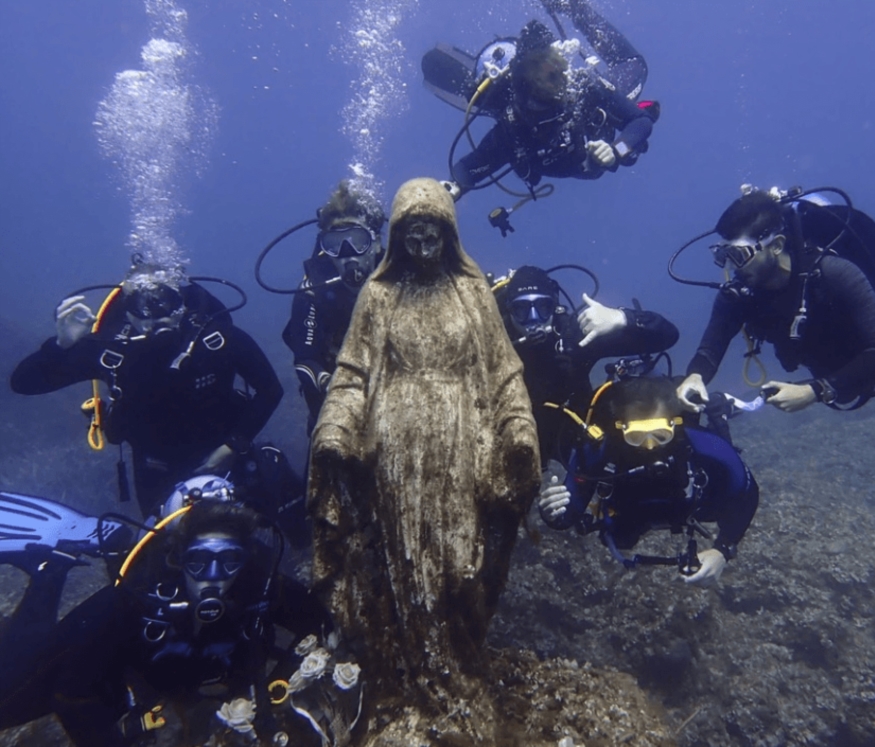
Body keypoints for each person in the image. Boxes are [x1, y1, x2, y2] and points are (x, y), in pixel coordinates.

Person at [308, 178, 539, 698]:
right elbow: (352, 373)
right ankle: (414, 672)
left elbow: (504, 370)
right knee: (404, 562)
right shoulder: (379, 294)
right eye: (411, 235)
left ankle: (462, 657)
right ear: (396, 238)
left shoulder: (473, 292)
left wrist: (518, 426)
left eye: (431, 232)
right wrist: (336, 427)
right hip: (394, 453)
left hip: (462, 443)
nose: (422, 245)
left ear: (448, 233)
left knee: (462, 563)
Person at [0, 489, 360, 747]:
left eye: (229, 561)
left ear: (245, 562)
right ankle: (49, 568)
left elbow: (319, 623)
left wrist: (277, 689)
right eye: (199, 562)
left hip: (185, 681)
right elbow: (70, 694)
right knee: (9, 699)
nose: (213, 576)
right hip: (128, 680)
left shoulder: (260, 588)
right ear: (178, 561)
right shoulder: (131, 602)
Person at [675, 187, 875, 414]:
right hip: (840, 373)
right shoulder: (739, 294)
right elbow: (710, 347)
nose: (731, 266)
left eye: (739, 254)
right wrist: (695, 376)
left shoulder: (833, 273)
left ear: (776, 246)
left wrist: (814, 391)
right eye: (724, 255)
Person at [10, 267, 283, 516]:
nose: (156, 316)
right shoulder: (112, 351)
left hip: (226, 456)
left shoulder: (218, 340)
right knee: (166, 550)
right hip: (156, 468)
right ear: (127, 312)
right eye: (141, 306)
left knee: (256, 526)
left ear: (183, 304)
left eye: (166, 303)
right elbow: (24, 383)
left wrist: (232, 446)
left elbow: (270, 390)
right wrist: (61, 345)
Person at [538, 375, 759, 586]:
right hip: (631, 510)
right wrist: (552, 512)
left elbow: (747, 493)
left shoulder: (702, 442)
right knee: (618, 538)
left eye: (660, 434)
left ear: (675, 424)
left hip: (689, 508)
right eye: (636, 437)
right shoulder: (601, 449)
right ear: (620, 428)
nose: (650, 446)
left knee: (722, 507)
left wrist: (723, 549)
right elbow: (568, 514)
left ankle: (719, 413)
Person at [444, 9, 656, 197]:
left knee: (632, 65)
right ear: (518, 82)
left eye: (548, 60)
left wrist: (617, 150)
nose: (554, 67)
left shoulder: (583, 86)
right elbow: (468, 169)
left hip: (602, 126)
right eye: (537, 66)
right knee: (634, 65)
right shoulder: (510, 133)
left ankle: (574, 7)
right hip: (579, 162)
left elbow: (640, 119)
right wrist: (450, 189)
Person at [493, 264, 679, 465]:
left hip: (574, 441)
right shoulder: (492, 341)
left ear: (555, 306)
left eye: (542, 306)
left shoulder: (576, 337)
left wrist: (623, 318)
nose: (533, 318)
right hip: (504, 443)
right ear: (508, 310)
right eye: (521, 308)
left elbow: (668, 336)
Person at [281, 181, 387, 434]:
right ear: (324, 249)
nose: (347, 254)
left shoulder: (402, 280)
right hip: (336, 413)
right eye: (335, 244)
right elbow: (305, 358)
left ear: (375, 244)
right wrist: (332, 384)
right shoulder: (312, 292)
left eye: (357, 240)